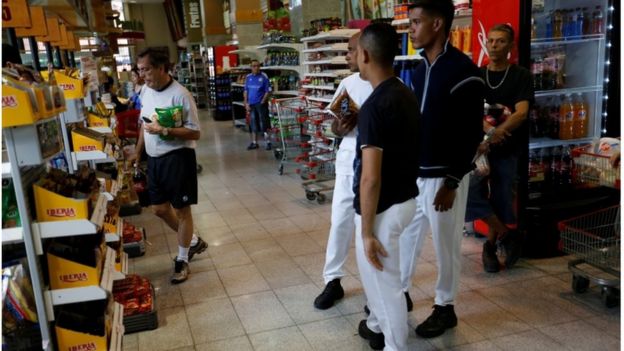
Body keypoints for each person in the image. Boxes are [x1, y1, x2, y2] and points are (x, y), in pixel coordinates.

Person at [399, 0, 484, 339]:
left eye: (416, 22)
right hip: (417, 175)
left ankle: (445, 307)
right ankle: (399, 292)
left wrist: (452, 180)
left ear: (437, 24)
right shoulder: (420, 69)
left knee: (446, 245)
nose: (411, 29)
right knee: (407, 237)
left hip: (445, 177)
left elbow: (471, 132)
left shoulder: (464, 71)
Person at [353, 23, 419, 351]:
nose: (354, 57)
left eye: (355, 51)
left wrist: (367, 231)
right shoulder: (404, 93)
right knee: (383, 282)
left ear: (365, 54)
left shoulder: (374, 107)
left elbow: (370, 177)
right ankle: (377, 325)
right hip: (405, 199)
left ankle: (395, 346)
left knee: (385, 286)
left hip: (383, 209)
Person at [129, 47, 208, 284]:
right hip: (154, 160)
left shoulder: (181, 94)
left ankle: (182, 259)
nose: (142, 75)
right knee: (159, 209)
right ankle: (193, 241)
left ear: (161, 68)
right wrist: (138, 151)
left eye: (146, 70)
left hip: (178, 158)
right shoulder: (145, 91)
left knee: (183, 211)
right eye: (139, 70)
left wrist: (166, 130)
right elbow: (144, 125)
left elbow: (195, 133)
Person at [313, 32, 374, 310]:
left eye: (351, 50)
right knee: (339, 222)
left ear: (365, 52)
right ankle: (333, 280)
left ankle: (379, 287)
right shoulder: (347, 84)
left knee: (372, 230)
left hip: (376, 168)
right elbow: (335, 125)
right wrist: (341, 126)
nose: (347, 56)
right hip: (348, 164)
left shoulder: (386, 85)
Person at [465, 24, 533, 273]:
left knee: (502, 196)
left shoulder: (521, 75)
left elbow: (522, 112)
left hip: (508, 147)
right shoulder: (477, 75)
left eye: (500, 41)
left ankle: (490, 247)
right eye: (491, 41)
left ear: (511, 46)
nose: (493, 46)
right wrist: (489, 131)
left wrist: (498, 132)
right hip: (479, 147)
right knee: (470, 193)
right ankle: (508, 235)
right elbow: (470, 110)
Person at [244, 59, 272, 150]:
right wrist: (246, 102)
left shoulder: (264, 76)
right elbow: (246, 91)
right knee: (253, 123)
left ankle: (268, 142)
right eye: (254, 66)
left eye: (257, 66)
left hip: (261, 104)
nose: (256, 67)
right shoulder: (248, 77)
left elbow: (268, 90)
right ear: (251, 67)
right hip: (251, 104)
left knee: (264, 123)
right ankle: (254, 142)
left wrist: (263, 101)